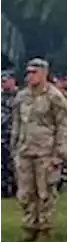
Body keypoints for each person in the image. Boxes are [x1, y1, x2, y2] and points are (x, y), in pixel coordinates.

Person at [11, 58, 67, 242]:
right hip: (25, 150)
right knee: (26, 192)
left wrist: (59, 154)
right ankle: (30, 226)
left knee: (45, 192)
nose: (30, 76)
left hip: (46, 151)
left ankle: (45, 227)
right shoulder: (22, 96)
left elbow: (63, 126)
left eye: (34, 72)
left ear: (45, 73)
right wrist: (15, 148)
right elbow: (17, 123)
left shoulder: (55, 96)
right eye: (28, 72)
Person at [0, 69, 16, 198]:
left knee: (15, 164)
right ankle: (4, 189)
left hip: (15, 134)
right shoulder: (1, 97)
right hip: (2, 136)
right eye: (2, 81)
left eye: (6, 81)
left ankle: (17, 188)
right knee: (3, 164)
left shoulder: (20, 96)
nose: (3, 84)